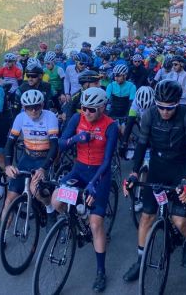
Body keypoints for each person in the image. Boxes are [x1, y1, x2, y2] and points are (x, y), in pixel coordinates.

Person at [123, 80, 186, 282]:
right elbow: (141, 145)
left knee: (179, 221)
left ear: (177, 103)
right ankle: (140, 261)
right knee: (147, 217)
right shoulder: (149, 115)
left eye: (170, 108)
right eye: (161, 107)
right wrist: (134, 173)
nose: (164, 112)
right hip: (157, 167)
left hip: (179, 167)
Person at [55, 87, 119, 292]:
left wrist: (93, 184)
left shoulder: (111, 126)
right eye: (84, 108)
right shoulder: (76, 118)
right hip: (79, 170)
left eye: (91, 109)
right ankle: (75, 220)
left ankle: (101, 271)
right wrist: (76, 139)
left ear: (102, 107)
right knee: (56, 200)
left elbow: (107, 161)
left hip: (99, 174)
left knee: (95, 224)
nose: (87, 113)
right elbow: (61, 144)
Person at [0, 90, 59, 256]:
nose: (33, 111)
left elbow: (54, 146)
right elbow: (10, 144)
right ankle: (1, 239)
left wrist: (43, 168)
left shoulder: (50, 117)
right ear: (24, 107)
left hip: (43, 158)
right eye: (29, 108)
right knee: (10, 199)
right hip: (27, 157)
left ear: (42, 105)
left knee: (36, 192)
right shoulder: (20, 118)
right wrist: (9, 165)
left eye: (37, 107)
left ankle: (49, 209)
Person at [119, 85, 155, 158]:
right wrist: (124, 142)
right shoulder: (135, 102)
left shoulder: (156, 103)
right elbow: (130, 123)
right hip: (141, 118)